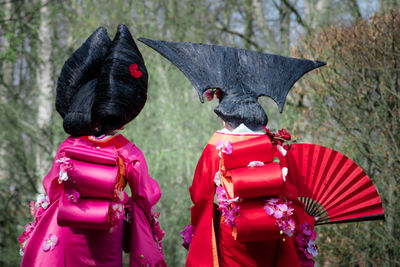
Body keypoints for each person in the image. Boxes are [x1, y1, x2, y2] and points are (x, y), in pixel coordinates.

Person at [139, 39, 384, 267]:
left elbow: (200, 193)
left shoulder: (216, 145)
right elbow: (290, 190)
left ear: (226, 113)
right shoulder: (273, 143)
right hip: (272, 229)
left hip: (232, 232)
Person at [18, 25, 166, 267]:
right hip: (109, 228)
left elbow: (52, 188)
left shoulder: (68, 146)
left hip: (69, 224)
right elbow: (145, 194)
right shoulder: (128, 151)